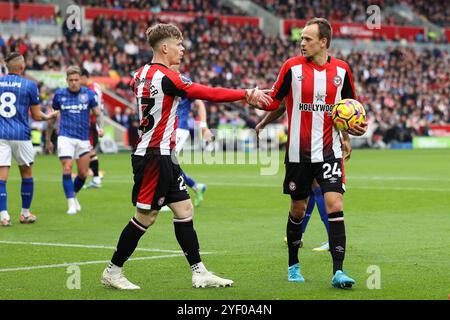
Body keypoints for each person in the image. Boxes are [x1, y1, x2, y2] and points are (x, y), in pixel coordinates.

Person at [100, 23, 271, 290]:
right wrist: (245, 94)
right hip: (155, 156)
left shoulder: (140, 73)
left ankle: (199, 271)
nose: (182, 50)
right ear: (165, 48)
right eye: (179, 45)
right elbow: (207, 93)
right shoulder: (168, 77)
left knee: (184, 209)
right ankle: (113, 271)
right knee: (146, 217)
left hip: (163, 154)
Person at [255, 18, 367, 289]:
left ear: (323, 42)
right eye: (301, 38)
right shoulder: (291, 67)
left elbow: (347, 107)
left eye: (307, 38)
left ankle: (338, 271)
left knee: (335, 205)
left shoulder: (342, 70)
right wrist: (255, 104)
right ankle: (293, 265)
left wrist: (350, 132)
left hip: (329, 152)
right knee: (298, 208)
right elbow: (277, 100)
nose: (301, 42)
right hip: (298, 154)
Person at [256, 107, 352, 252]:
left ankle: (330, 239)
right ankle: (301, 235)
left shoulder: (306, 86)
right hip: (308, 145)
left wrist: (263, 123)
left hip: (316, 146)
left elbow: (282, 105)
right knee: (311, 191)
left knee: (319, 190)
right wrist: (345, 138)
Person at [0, 52, 58, 226]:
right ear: (22, 67)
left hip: (1, 134)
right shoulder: (30, 86)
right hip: (21, 135)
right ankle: (25, 213)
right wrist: (50, 116)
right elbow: (37, 116)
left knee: (2, 177)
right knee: (26, 175)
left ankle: (4, 216)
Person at [45, 66, 104, 215]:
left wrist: (100, 127)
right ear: (66, 80)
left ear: (80, 80)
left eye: (76, 80)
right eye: (70, 80)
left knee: (83, 173)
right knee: (67, 168)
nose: (73, 83)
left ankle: (73, 195)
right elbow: (52, 118)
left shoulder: (89, 94)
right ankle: (71, 203)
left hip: (83, 138)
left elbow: (98, 113)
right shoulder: (59, 95)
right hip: (65, 136)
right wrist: (48, 139)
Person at [80, 67, 104, 189]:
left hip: (90, 124)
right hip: (88, 124)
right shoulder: (92, 88)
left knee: (88, 151)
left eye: (79, 78)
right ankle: (95, 178)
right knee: (89, 151)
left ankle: (95, 178)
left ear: (84, 77)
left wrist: (100, 126)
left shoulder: (93, 89)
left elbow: (97, 109)